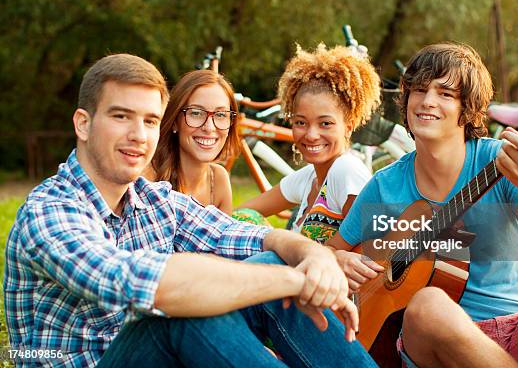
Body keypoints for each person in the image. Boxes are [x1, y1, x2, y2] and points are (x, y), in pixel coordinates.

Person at [3, 53, 377, 368]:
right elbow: (153, 287)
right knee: (176, 316)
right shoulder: (49, 212)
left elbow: (244, 233)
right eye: (121, 116)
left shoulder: (153, 199)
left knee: (270, 261)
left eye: (149, 121)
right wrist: (297, 280)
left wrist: (315, 256)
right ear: (83, 124)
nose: (138, 134)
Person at [326, 43, 518, 367]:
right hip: (437, 342)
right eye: (419, 90)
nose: (428, 101)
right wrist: (338, 259)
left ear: (467, 109)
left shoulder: (498, 161)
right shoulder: (385, 185)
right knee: (428, 305)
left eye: (445, 94)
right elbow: (329, 250)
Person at [239, 45, 381, 244]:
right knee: (245, 218)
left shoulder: (346, 169)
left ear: (348, 127)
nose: (311, 135)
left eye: (325, 123)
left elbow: (375, 247)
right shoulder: (308, 177)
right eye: (301, 123)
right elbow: (243, 213)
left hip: (326, 274)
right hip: (294, 271)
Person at [146, 69, 238, 214]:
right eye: (196, 113)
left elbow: (224, 237)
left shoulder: (218, 179)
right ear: (175, 121)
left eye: (221, 114)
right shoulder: (148, 177)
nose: (209, 127)